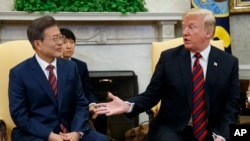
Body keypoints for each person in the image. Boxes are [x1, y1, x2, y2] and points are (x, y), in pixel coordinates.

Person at [95, 8, 240, 141]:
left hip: (212, 130)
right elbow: (151, 95)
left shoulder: (228, 63)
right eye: (183, 27)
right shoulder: (169, 58)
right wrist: (128, 106)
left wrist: (221, 135)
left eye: (191, 27)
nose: (185, 32)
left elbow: (231, 105)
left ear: (208, 33)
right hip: (173, 128)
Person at [8, 15, 109, 141]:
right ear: (38, 44)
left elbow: (81, 103)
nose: (61, 42)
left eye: (60, 37)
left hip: (71, 129)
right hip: (37, 133)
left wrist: (77, 132)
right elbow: (20, 115)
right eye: (55, 38)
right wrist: (50, 135)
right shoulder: (19, 73)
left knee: (102, 140)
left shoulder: (71, 67)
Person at [60, 28, 108, 135]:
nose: (69, 46)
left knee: (100, 113)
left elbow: (88, 89)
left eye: (72, 42)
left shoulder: (81, 65)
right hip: (63, 108)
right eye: (64, 42)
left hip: (81, 105)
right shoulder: (53, 65)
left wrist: (92, 104)